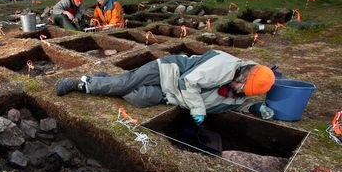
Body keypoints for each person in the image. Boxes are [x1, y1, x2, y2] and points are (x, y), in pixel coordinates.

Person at [55, 49, 276, 124]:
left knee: (138, 99)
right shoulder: (224, 65)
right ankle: (80, 84)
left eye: (245, 93)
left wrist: (256, 108)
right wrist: (198, 109)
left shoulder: (241, 90)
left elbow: (239, 104)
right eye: (242, 88)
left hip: (169, 95)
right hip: (168, 71)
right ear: (245, 74)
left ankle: (105, 80)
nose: (239, 92)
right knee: (125, 83)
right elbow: (187, 81)